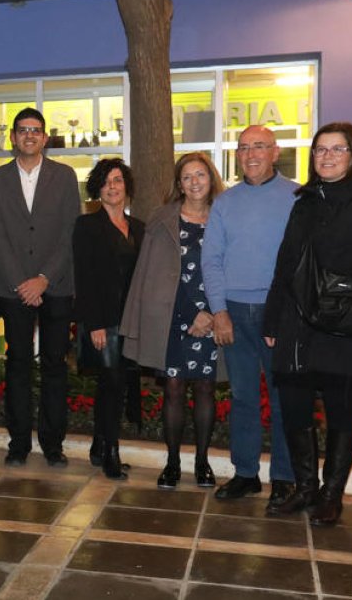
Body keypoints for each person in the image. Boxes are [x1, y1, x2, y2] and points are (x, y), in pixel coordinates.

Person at [263, 122, 352, 526]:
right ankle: (305, 488)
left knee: (341, 410)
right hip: (296, 321)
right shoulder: (305, 201)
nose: (327, 157)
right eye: (320, 151)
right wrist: (273, 315)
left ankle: (332, 495)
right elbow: (285, 261)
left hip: (345, 320)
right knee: (294, 406)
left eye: (337, 149)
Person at [202, 125, 297, 507]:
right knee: (242, 396)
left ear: (275, 152)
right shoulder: (225, 202)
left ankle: (285, 478)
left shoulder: (296, 197)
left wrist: (287, 313)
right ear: (237, 155)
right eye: (244, 148)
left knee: (282, 398)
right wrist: (219, 310)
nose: (251, 153)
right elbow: (211, 259)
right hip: (235, 313)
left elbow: (300, 262)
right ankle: (245, 474)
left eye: (259, 146)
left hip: (280, 314)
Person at [122, 153, 226, 489]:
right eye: (187, 176)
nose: (194, 182)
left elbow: (231, 269)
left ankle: (202, 463)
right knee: (174, 389)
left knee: (207, 389)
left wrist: (211, 315)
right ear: (178, 184)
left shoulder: (226, 216)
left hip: (216, 315)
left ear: (211, 178)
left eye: (200, 175)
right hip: (174, 316)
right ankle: (171, 463)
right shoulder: (162, 218)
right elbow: (155, 275)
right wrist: (191, 314)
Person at [0, 107, 81, 467]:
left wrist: (43, 278)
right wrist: (19, 282)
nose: (29, 135)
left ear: (45, 137)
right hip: (13, 288)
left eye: (36, 130)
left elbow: (72, 231)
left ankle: (53, 444)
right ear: (13, 137)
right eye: (22, 129)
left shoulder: (66, 176)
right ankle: (19, 443)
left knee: (56, 366)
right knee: (18, 364)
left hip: (55, 286)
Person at [73, 158, 145, 480]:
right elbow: (84, 278)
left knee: (113, 385)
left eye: (117, 180)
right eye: (105, 182)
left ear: (126, 186)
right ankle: (111, 453)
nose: (112, 187)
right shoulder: (87, 226)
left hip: (132, 321)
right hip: (104, 321)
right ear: (97, 190)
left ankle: (99, 445)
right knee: (112, 384)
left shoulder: (140, 228)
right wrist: (95, 323)